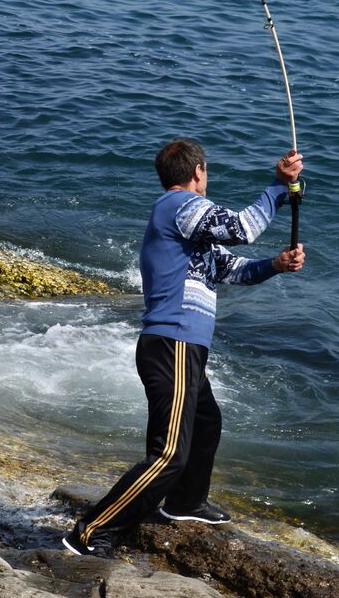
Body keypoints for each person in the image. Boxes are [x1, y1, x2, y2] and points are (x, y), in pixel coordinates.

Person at [62, 139, 305, 557]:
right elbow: (243, 228)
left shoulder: (191, 232)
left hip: (184, 346)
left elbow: (234, 270)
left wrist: (276, 265)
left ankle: (185, 503)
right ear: (198, 172)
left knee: (206, 422)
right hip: (171, 341)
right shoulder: (178, 207)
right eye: (206, 173)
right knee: (168, 453)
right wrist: (278, 187)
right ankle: (89, 532)